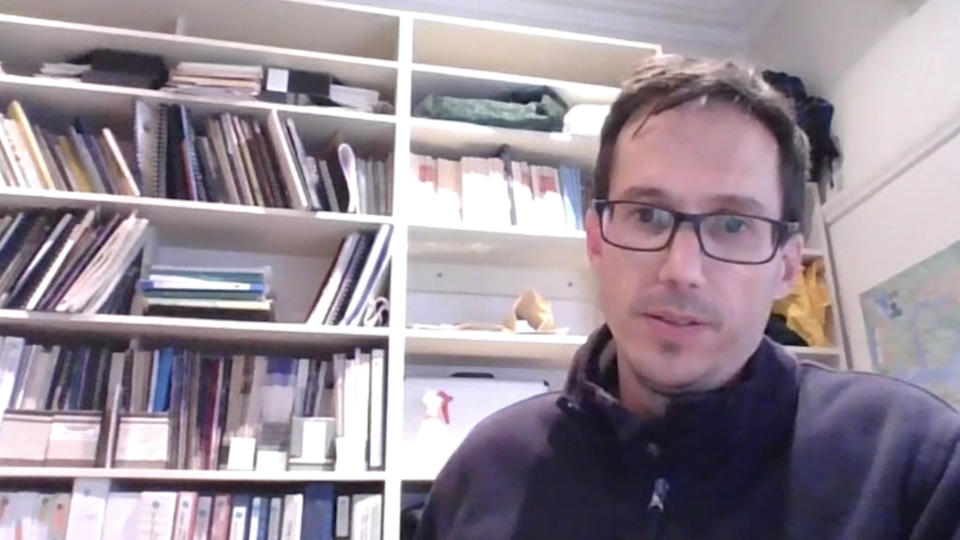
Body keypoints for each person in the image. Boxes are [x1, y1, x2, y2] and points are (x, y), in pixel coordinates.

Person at [412, 56, 960, 540]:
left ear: (787, 266)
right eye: (647, 216)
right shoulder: (485, 469)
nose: (682, 270)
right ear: (597, 240)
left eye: (731, 224)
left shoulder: (914, 463)